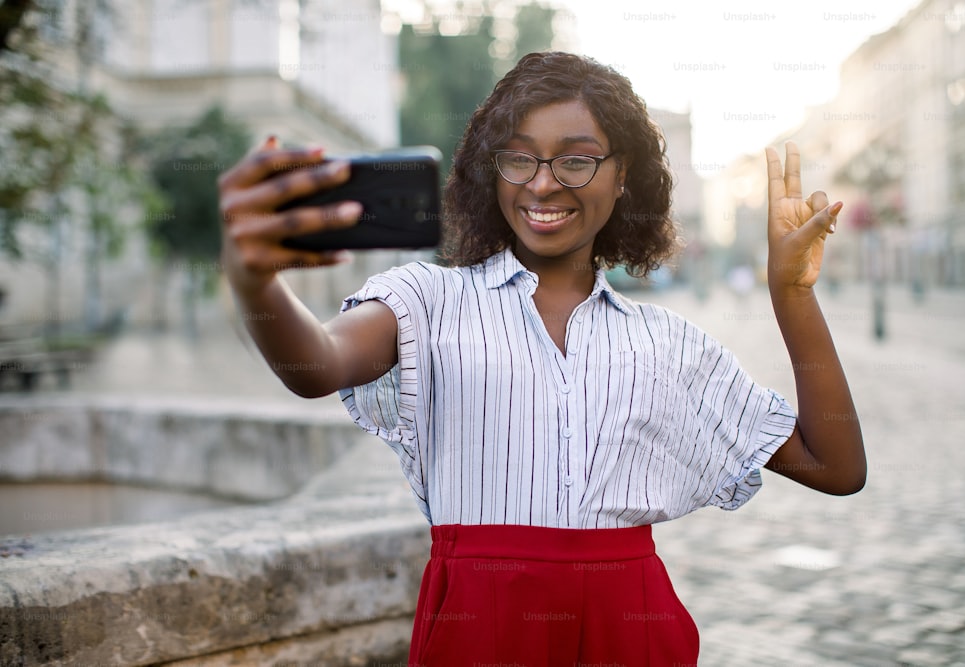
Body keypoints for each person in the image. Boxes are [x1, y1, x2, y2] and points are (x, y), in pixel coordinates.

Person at [217, 51, 866, 666]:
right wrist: (254, 280)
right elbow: (318, 367)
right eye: (519, 159)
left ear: (623, 178)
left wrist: (792, 293)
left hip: (629, 633)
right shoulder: (428, 299)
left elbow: (834, 464)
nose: (542, 183)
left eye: (576, 161)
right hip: (479, 629)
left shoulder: (670, 344)